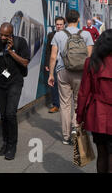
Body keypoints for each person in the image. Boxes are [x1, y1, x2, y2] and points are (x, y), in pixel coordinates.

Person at [0, 23, 30, 160]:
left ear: (11, 34)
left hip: (15, 82)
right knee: (3, 116)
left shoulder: (21, 43)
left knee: (10, 114)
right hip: (1, 83)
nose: (2, 37)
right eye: (0, 34)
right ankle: (6, 143)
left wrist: (11, 52)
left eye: (5, 35)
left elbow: (25, 62)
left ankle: (12, 146)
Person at [48, 9, 93, 145]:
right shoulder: (86, 34)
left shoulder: (59, 35)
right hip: (81, 72)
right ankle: (76, 128)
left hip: (63, 71)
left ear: (66, 20)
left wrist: (51, 74)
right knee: (78, 102)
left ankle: (66, 136)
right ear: (78, 19)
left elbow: (53, 56)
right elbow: (90, 57)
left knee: (65, 103)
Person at [76, 29, 112, 173]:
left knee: (102, 153)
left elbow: (84, 92)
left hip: (97, 115)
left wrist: (79, 116)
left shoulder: (90, 62)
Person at [44, 16, 65, 113]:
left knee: (65, 84)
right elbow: (48, 50)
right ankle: (56, 105)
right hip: (54, 62)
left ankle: (65, 104)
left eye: (61, 24)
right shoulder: (51, 35)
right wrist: (47, 63)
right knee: (53, 83)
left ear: (64, 25)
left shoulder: (67, 35)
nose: (59, 26)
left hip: (66, 63)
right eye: (57, 24)